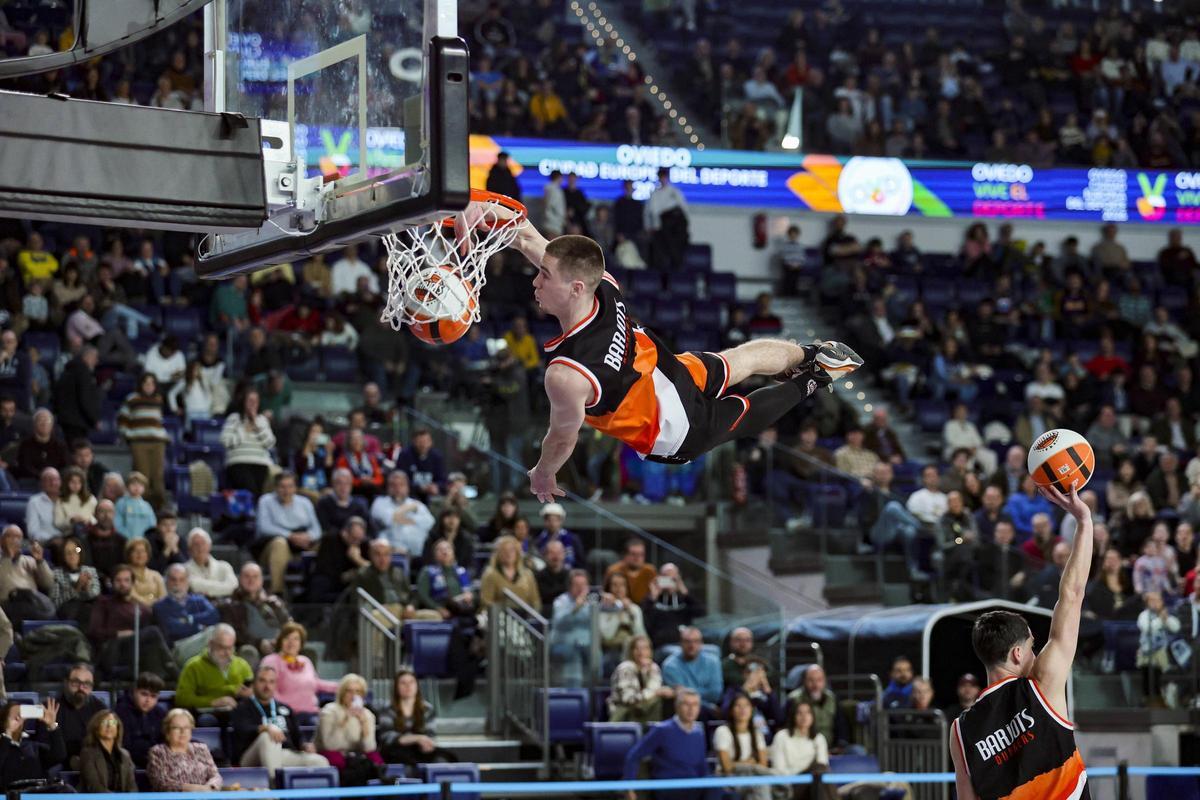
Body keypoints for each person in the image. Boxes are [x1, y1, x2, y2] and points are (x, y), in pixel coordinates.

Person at [491, 207, 861, 500]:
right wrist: (470, 208)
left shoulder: (567, 375)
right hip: (670, 371)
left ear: (574, 288)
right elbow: (526, 237)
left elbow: (561, 440)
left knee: (743, 417)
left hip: (672, 429)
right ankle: (811, 352)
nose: (534, 280)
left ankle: (817, 376)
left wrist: (542, 474)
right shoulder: (603, 285)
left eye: (544, 276)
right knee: (738, 360)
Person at [950, 484, 1094, 800]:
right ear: (1017, 654)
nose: (1035, 651)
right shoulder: (1040, 684)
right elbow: (1071, 596)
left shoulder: (960, 730)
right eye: (1032, 646)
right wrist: (1083, 522)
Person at [231, 664, 328, 780]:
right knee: (268, 737)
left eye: (271, 682)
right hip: (252, 757)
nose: (267, 686)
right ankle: (275, 787)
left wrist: (305, 745)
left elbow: (297, 737)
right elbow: (242, 730)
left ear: (276, 685)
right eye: (262, 681)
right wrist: (266, 728)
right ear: (254, 683)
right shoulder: (242, 707)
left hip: (284, 754)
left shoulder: (285, 708)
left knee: (320, 761)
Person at [621, 688, 717, 800]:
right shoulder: (662, 730)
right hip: (670, 788)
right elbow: (633, 756)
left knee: (722, 790)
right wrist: (629, 788)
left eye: (695, 705)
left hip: (694, 786)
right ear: (677, 707)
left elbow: (702, 766)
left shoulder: (698, 732)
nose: (691, 709)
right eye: (686, 704)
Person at [254, 472, 321, 595]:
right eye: (282, 486)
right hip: (271, 546)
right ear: (275, 487)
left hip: (303, 545)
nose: (286, 491)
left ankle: (315, 591)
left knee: (325, 544)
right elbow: (264, 528)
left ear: (295, 488)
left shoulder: (305, 502)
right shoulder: (265, 501)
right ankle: (277, 593)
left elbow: (317, 530)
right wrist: (290, 536)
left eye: (290, 486)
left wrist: (307, 537)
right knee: (280, 543)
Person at [259, 622, 337, 724]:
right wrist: (287, 707)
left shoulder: (305, 661)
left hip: (311, 713)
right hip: (287, 715)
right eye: (287, 638)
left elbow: (316, 683)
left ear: (301, 643)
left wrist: (342, 686)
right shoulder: (271, 661)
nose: (291, 642)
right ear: (280, 641)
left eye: (296, 639)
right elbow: (268, 690)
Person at [377, 668, 456, 767]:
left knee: (444, 757)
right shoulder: (387, 709)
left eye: (411, 682)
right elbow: (387, 738)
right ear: (396, 687)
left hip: (419, 750)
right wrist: (417, 738)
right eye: (403, 683)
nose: (408, 686)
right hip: (395, 750)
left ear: (417, 685)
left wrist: (426, 743)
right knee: (403, 759)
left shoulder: (427, 709)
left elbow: (430, 735)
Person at [220, 562, 291, 663]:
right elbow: (234, 633)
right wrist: (259, 643)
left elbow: (289, 624)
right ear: (240, 579)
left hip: (278, 645)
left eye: (255, 576)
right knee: (249, 652)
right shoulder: (230, 605)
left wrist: (281, 641)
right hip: (251, 648)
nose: (251, 580)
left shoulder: (274, 602)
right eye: (247, 576)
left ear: (261, 580)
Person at [314, 673, 383, 777]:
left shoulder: (368, 715)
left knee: (376, 760)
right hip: (334, 753)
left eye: (357, 691)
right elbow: (330, 745)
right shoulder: (329, 711)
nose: (353, 696)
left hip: (357, 755)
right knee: (338, 761)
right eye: (349, 691)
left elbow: (369, 748)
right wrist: (345, 719)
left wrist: (364, 724)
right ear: (342, 693)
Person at [175, 623, 254, 713]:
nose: (227, 653)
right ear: (211, 644)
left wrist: (250, 694)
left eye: (230, 648)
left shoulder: (242, 665)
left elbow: (255, 693)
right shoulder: (193, 666)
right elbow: (181, 698)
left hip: (238, 712)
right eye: (222, 648)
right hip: (208, 713)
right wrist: (212, 702)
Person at [713, 691, 773, 800]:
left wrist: (739, 764)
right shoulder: (723, 731)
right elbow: (727, 767)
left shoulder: (757, 733)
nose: (742, 709)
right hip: (728, 779)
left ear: (751, 710)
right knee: (760, 785)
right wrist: (750, 763)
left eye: (746, 706)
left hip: (752, 777)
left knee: (761, 784)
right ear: (731, 710)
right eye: (738, 706)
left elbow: (763, 764)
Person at [146, 708, 223, 791]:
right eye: (176, 728)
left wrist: (210, 787)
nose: (182, 731)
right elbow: (160, 782)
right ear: (167, 732)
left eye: (186, 727)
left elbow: (215, 776)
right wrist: (192, 788)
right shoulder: (158, 752)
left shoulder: (201, 748)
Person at [770, 698, 831, 800]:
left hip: (813, 784)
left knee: (820, 771)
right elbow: (779, 771)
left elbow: (823, 765)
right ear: (793, 716)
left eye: (808, 713)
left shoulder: (819, 738)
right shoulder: (781, 737)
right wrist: (803, 775)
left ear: (813, 716)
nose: (804, 717)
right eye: (799, 713)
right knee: (818, 770)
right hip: (789, 786)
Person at [220, 388, 276, 495]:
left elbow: (270, 443)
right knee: (250, 491)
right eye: (250, 401)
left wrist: (256, 425)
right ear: (244, 402)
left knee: (259, 493)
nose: (253, 404)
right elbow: (225, 441)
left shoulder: (262, 420)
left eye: (255, 401)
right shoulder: (234, 418)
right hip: (238, 462)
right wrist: (243, 431)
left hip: (260, 462)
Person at [785, 665, 853, 754]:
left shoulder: (832, 699)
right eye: (811, 680)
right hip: (803, 747)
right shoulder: (794, 699)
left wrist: (840, 746)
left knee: (857, 751)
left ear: (824, 681)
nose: (815, 685)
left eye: (819, 680)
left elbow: (842, 725)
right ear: (804, 681)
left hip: (831, 748)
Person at [0, 697, 64, 787]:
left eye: (21, 716)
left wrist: (52, 726)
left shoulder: (33, 747)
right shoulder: (3, 746)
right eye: (15, 717)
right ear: (3, 721)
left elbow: (59, 756)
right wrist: (8, 735)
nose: (18, 720)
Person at [609, 634, 671, 724]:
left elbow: (654, 688)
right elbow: (629, 700)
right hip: (624, 714)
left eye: (645, 648)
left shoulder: (653, 667)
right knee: (656, 699)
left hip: (644, 712)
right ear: (631, 651)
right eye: (637, 648)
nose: (641, 652)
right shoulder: (625, 668)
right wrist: (654, 692)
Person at [371, 470, 435, 556]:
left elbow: (429, 522)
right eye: (393, 485)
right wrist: (408, 509)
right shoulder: (380, 502)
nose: (397, 488)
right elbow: (389, 520)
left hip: (417, 554)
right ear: (388, 487)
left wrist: (402, 519)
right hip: (392, 554)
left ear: (407, 487)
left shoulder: (417, 504)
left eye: (401, 485)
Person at [153, 563, 220, 646]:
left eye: (182, 579)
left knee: (219, 631)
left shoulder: (199, 599)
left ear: (188, 582)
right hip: (179, 647)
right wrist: (200, 627)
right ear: (166, 582)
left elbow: (214, 615)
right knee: (212, 634)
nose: (177, 583)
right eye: (173, 579)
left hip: (202, 643)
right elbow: (174, 630)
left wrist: (190, 619)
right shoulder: (160, 606)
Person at [57, 663, 108, 766]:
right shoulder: (51, 707)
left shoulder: (100, 709)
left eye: (87, 684)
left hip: (93, 761)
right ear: (66, 682)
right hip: (62, 763)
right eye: (76, 682)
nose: (81, 688)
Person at [641, 563, 704, 647]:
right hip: (662, 645)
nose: (669, 581)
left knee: (713, 650)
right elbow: (644, 617)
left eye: (673, 579)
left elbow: (701, 612)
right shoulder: (653, 601)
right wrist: (653, 597)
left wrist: (685, 593)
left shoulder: (684, 599)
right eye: (666, 578)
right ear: (660, 579)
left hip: (685, 644)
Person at [550, 569, 594, 688]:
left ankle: (595, 690)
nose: (580, 589)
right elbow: (559, 622)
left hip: (588, 644)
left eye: (583, 585)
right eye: (576, 585)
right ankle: (574, 691)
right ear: (569, 587)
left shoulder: (592, 599)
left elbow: (613, 606)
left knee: (596, 652)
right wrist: (576, 608)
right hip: (564, 643)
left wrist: (612, 601)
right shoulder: (561, 601)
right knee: (574, 651)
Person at [310, 516, 369, 603]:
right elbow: (323, 567)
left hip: (352, 584)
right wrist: (343, 576)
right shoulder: (330, 540)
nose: (356, 542)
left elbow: (373, 570)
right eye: (354, 538)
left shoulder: (364, 544)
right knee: (319, 584)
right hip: (331, 581)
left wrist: (358, 560)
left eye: (359, 539)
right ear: (344, 533)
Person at [663, 626, 723, 711]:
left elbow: (715, 694)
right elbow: (684, 699)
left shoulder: (713, 661)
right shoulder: (670, 665)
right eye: (687, 642)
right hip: (684, 710)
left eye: (696, 641)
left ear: (701, 643)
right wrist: (708, 706)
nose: (692, 645)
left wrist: (685, 691)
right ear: (681, 643)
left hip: (711, 710)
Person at [115, 672, 167, 768]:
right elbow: (123, 745)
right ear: (134, 691)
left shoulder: (160, 713)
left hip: (156, 761)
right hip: (130, 763)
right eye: (144, 694)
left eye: (153, 696)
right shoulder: (121, 712)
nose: (148, 700)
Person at [79, 710, 137, 792]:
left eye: (113, 722)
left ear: (117, 728)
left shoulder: (125, 755)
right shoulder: (88, 753)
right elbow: (95, 787)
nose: (109, 726)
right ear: (96, 728)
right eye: (104, 722)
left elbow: (132, 786)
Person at [479, 534, 541, 611]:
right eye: (504, 551)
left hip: (524, 618)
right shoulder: (490, 574)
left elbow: (535, 601)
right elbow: (486, 601)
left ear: (517, 553)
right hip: (498, 617)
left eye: (511, 550)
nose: (508, 554)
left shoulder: (527, 575)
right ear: (498, 554)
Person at [184, 528, 238, 599]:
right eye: (196, 544)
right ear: (189, 548)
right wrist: (224, 587)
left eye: (203, 543)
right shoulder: (184, 570)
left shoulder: (224, 566)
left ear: (209, 546)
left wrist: (204, 588)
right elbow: (194, 586)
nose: (200, 548)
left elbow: (233, 587)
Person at [604, 537, 657, 603]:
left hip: (645, 608)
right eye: (633, 554)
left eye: (641, 554)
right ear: (625, 555)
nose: (637, 558)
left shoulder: (650, 571)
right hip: (618, 607)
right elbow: (604, 592)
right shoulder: (614, 570)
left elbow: (656, 594)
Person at [534, 502, 585, 567]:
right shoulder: (539, 539)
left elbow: (580, 561)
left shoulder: (572, 539)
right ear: (544, 521)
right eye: (549, 520)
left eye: (555, 520)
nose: (552, 523)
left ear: (561, 521)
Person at [126, 538, 166, 605]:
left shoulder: (156, 575)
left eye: (143, 551)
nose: (140, 554)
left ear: (147, 554)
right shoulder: (124, 574)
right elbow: (132, 598)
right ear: (129, 554)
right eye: (135, 551)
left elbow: (164, 599)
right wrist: (153, 600)